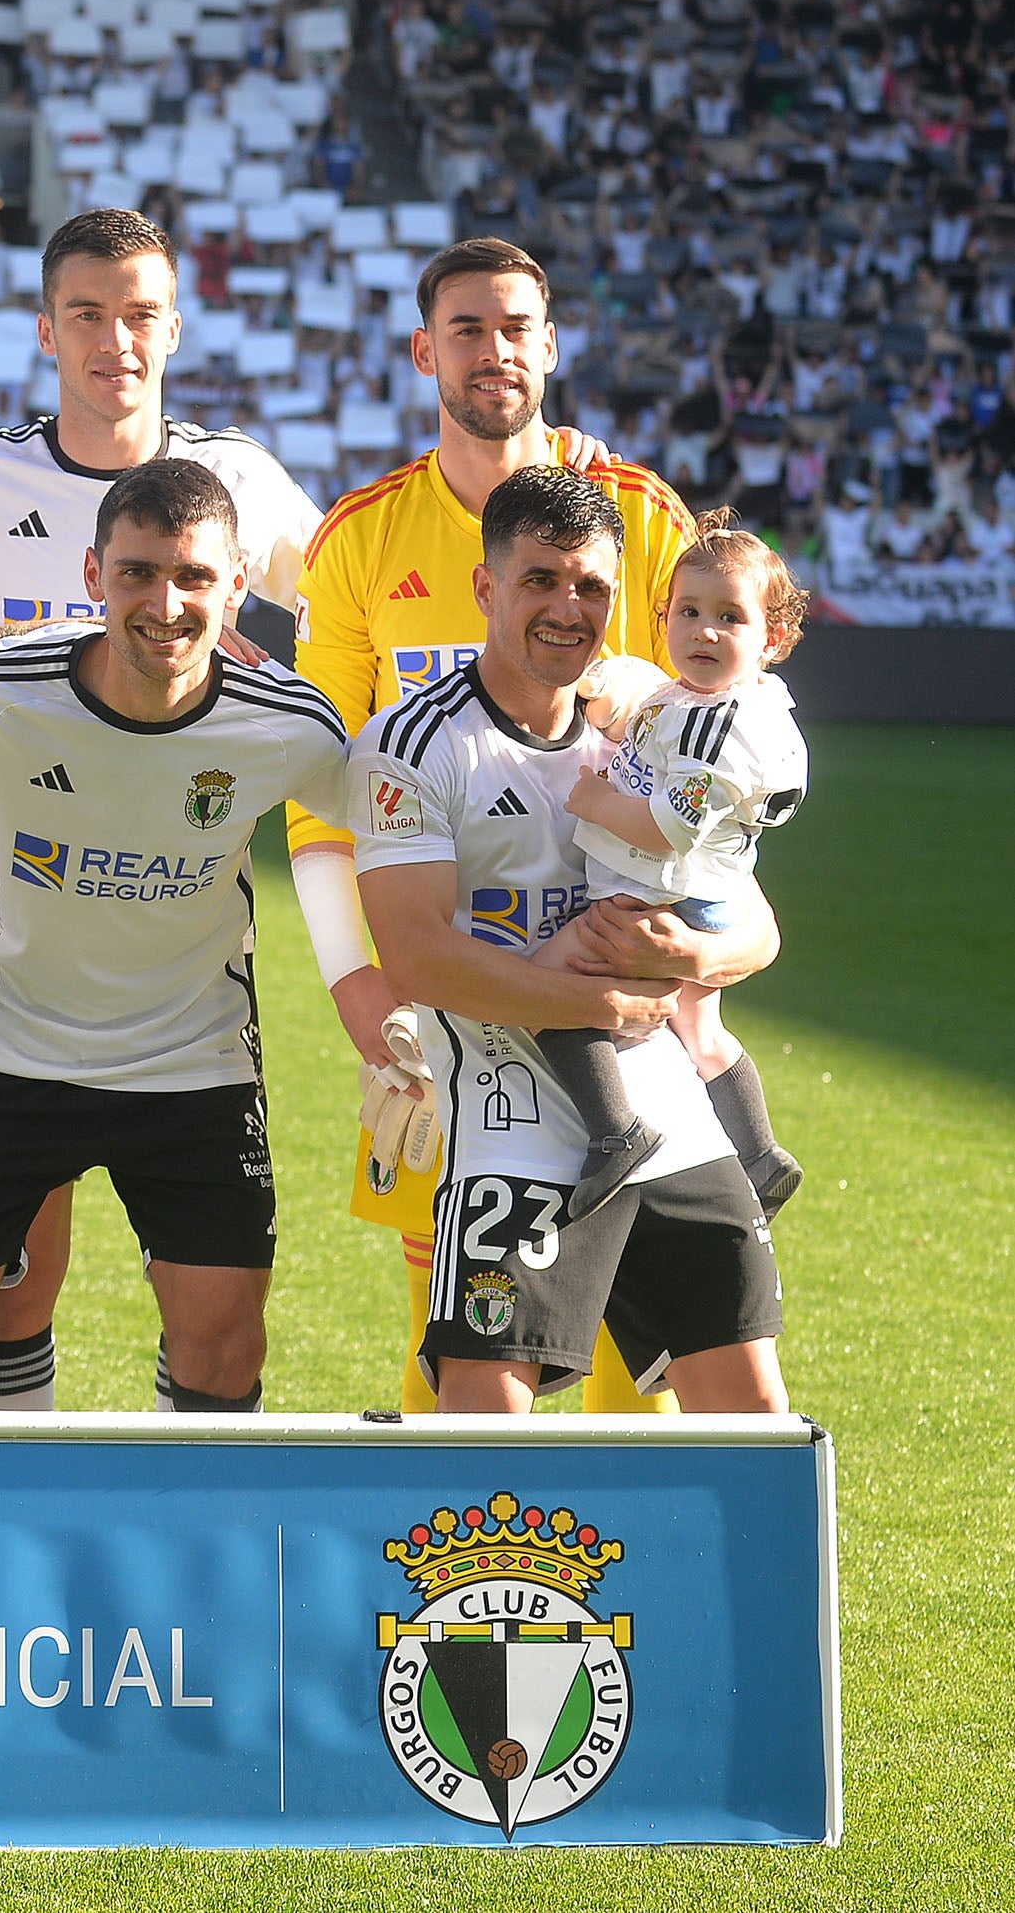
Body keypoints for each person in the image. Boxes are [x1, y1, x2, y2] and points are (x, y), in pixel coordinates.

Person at [0, 206, 328, 1412]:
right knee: (11, 1281)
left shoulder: (244, 481)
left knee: (208, 1323)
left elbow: (358, 609)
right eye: (86, 313)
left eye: (136, 315)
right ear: (47, 328)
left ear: (172, 328)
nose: (112, 339)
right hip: (12, 945)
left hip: (179, 963)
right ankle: (5, 1526)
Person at [0, 459, 352, 1413]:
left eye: (193, 578)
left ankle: (189, 1557)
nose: (164, 602)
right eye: (136, 572)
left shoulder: (290, 724)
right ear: (93, 574)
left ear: (235, 593)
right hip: (6, 1050)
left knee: (223, 1352)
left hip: (191, 1063)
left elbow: (406, 830)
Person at [288, 236, 713, 1418]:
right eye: (466, 329)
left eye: (516, 327)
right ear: (426, 350)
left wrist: (699, 974)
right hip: (445, 1001)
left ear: (552, 346)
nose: (494, 351)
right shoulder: (360, 537)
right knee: (455, 1318)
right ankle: (458, 1585)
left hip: (622, 994)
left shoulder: (637, 513)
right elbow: (319, 791)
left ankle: (641, 1585)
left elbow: (706, 749)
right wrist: (357, 990)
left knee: (640, 1315)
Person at [350, 468, 787, 1415]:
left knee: (752, 1417)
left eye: (589, 585)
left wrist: (691, 960)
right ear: (484, 590)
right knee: (486, 1428)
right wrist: (602, 1002)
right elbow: (417, 958)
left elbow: (753, 921)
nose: (567, 607)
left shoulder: (646, 728)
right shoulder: (414, 743)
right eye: (539, 580)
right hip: (513, 1129)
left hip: (669, 1120)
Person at [544, 516, 811, 1218]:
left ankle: (615, 1132)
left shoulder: (714, 726)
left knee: (546, 992)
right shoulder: (722, 703)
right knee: (700, 1028)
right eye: (688, 612)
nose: (703, 631)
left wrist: (595, 799)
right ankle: (758, 1152)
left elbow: (665, 827)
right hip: (709, 892)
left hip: (655, 895)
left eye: (729, 617)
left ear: (771, 638)